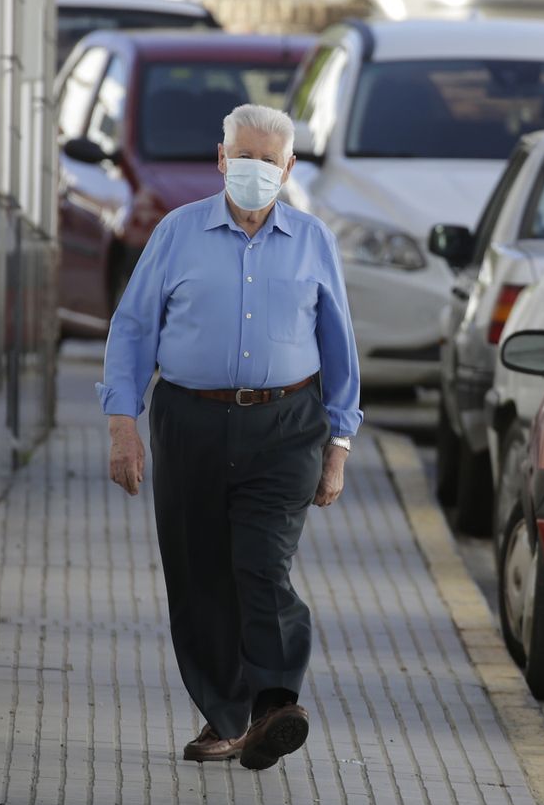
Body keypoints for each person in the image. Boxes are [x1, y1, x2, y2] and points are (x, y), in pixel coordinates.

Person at [97, 103, 362, 771]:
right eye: (241, 158)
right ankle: (225, 716)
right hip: (189, 421)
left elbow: (340, 349)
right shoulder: (176, 234)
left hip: (286, 426)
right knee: (199, 574)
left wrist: (339, 446)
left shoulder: (312, 241)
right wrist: (122, 426)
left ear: (288, 169)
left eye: (267, 162)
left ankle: (275, 704)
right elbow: (132, 331)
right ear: (221, 161)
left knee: (262, 564)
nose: (253, 172)